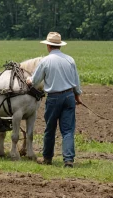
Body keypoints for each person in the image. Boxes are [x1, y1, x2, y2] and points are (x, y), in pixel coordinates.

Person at [26, 32, 83, 168]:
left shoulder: (45, 61)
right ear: (59, 46)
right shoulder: (70, 60)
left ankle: (47, 158)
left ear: (48, 46)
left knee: (50, 129)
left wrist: (29, 80)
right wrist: (77, 96)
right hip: (69, 96)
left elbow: (34, 81)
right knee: (68, 130)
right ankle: (68, 160)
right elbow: (76, 81)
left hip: (54, 98)